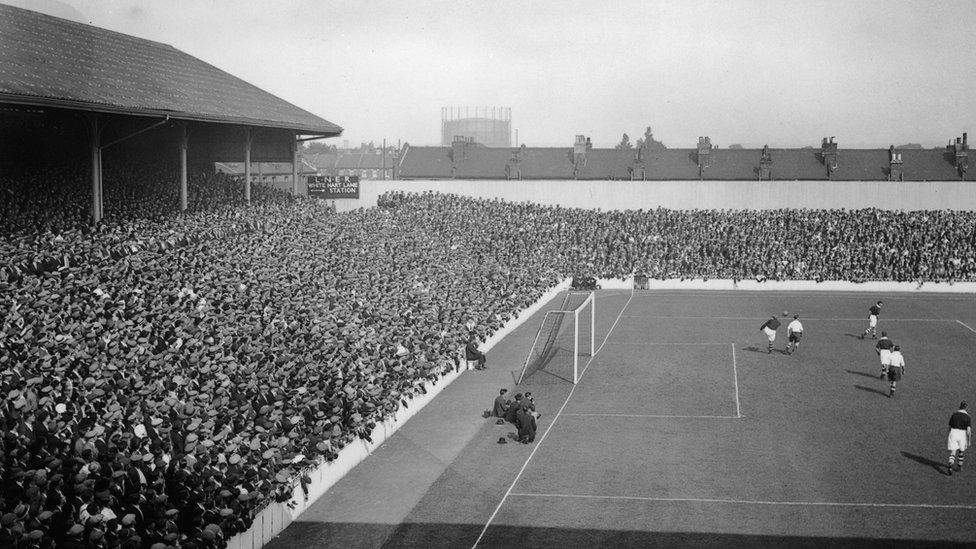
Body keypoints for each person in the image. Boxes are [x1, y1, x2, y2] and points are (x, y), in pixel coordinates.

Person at [947, 401, 972, 475]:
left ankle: (950, 464)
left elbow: (949, 426)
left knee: (953, 451)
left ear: (959, 406)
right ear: (966, 408)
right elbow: (968, 430)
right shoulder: (968, 417)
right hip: (962, 434)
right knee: (961, 451)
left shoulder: (954, 415)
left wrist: (950, 434)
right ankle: (959, 467)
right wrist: (969, 440)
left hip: (953, 432)